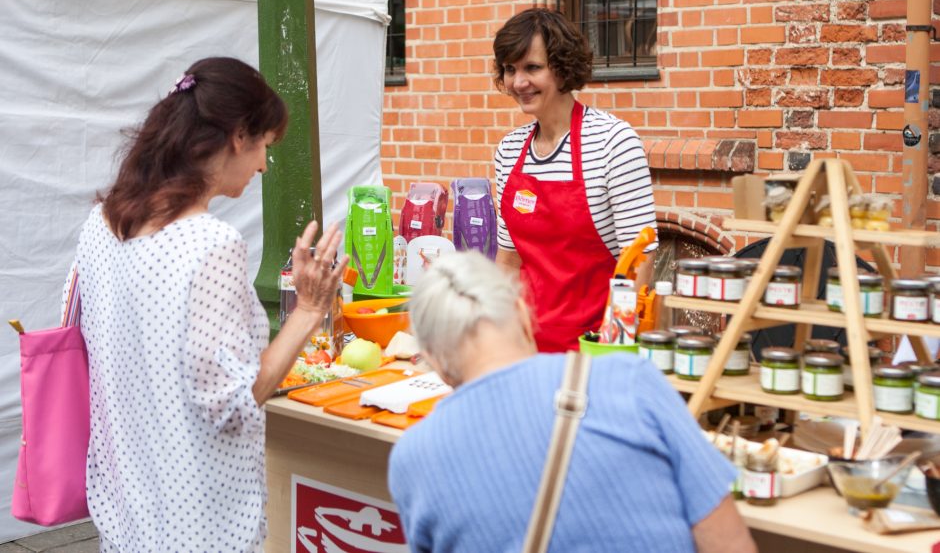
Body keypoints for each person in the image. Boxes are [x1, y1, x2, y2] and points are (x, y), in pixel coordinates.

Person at [71, 57, 348, 552]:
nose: (264, 164)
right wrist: (308, 310)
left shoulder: (100, 224)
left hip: (124, 505)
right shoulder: (210, 243)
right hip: (195, 517)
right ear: (238, 136)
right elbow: (234, 403)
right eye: (265, 145)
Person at [388, 252, 756, 553]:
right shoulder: (631, 381)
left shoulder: (412, 458)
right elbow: (729, 543)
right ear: (521, 311)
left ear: (433, 358)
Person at [492, 8, 658, 353]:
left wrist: (613, 347)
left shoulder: (614, 141)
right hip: (524, 347)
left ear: (562, 67)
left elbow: (639, 260)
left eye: (532, 68)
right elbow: (509, 262)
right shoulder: (509, 151)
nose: (518, 82)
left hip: (594, 344)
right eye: (510, 70)